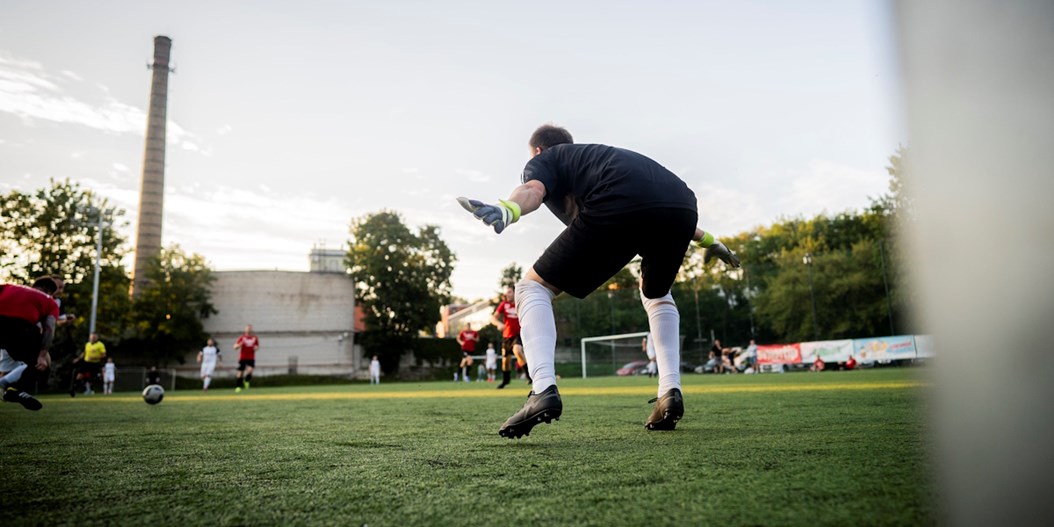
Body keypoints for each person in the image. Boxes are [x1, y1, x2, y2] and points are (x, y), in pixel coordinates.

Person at [458, 124, 739, 438]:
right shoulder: (597, 157)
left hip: (618, 203)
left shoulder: (547, 158)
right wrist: (713, 242)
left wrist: (508, 209)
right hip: (682, 205)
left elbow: (533, 191)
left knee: (531, 287)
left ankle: (542, 390)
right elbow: (657, 202)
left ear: (538, 151)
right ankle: (669, 392)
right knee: (657, 294)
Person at [0, 277, 60, 411]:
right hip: (21, 329)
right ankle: (11, 389)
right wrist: (42, 355)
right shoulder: (49, 301)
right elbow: (49, 328)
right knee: (43, 364)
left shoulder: (8, 286)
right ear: (49, 291)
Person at [491, 286, 528, 389]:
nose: (507, 294)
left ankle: (529, 376)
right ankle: (506, 380)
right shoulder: (503, 305)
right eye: (506, 293)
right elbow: (493, 318)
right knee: (505, 361)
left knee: (517, 350)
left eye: (509, 292)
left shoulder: (520, 304)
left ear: (514, 292)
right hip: (507, 336)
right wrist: (498, 324)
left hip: (518, 334)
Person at [233, 324, 260, 393]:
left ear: (251, 329)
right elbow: (235, 347)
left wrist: (256, 348)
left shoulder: (255, 338)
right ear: (245, 330)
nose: (248, 329)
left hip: (251, 357)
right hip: (243, 357)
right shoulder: (242, 338)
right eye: (247, 328)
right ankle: (238, 387)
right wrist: (239, 345)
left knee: (250, 371)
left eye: (250, 328)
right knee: (240, 373)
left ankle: (246, 381)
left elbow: (257, 346)